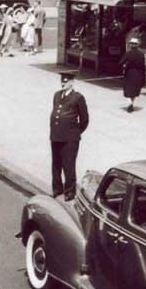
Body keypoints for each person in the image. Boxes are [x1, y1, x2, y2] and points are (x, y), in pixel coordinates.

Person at [50, 72, 89, 201]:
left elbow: (84, 119)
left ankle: (70, 191)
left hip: (70, 138)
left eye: (65, 82)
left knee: (68, 165)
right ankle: (57, 189)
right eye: (62, 81)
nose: (63, 83)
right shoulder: (57, 95)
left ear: (72, 83)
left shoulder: (78, 98)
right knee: (56, 164)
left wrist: (75, 132)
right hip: (55, 136)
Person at [118, 37, 145, 112]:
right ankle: (132, 103)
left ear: (130, 45)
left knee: (127, 89)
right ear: (137, 45)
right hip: (138, 73)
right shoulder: (141, 54)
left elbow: (120, 63)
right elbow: (143, 66)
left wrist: (125, 66)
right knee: (135, 90)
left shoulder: (128, 54)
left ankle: (130, 103)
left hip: (129, 73)